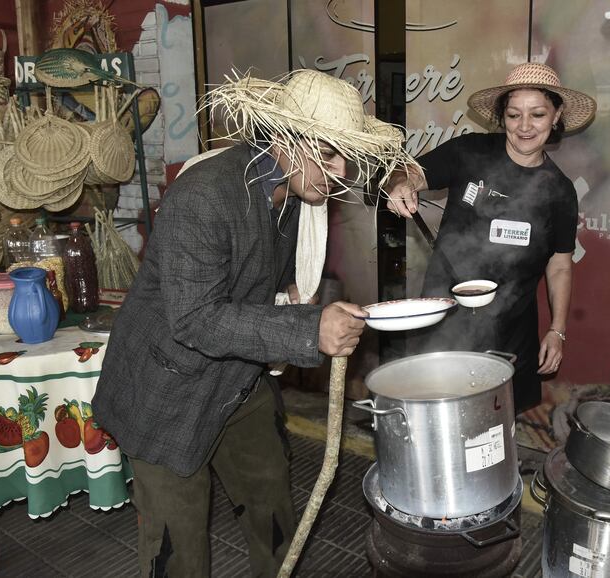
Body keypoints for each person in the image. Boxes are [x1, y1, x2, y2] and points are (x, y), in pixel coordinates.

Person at [92, 69, 417, 578]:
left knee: (272, 503)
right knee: (179, 546)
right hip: (167, 388)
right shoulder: (205, 195)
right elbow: (196, 320)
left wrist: (396, 178)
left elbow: (262, 265)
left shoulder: (294, 187)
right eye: (329, 155)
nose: (339, 172)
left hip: (237, 377)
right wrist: (309, 329)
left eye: (346, 157)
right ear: (284, 140)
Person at [385, 62, 596, 414]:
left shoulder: (559, 191)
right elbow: (412, 171)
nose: (525, 126)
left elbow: (559, 264)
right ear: (502, 117)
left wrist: (557, 331)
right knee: (437, 409)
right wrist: (403, 183)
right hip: (446, 316)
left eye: (538, 114)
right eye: (514, 115)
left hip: (510, 328)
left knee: (497, 419)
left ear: (556, 116)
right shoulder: (470, 153)